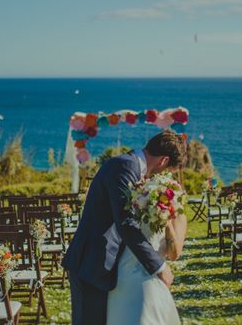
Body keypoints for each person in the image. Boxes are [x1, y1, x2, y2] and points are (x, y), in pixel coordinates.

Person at [62, 129, 188, 325]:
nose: (164, 175)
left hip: (106, 265)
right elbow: (126, 223)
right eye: (168, 170)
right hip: (90, 263)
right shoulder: (124, 167)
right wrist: (159, 267)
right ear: (164, 160)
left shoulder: (132, 169)